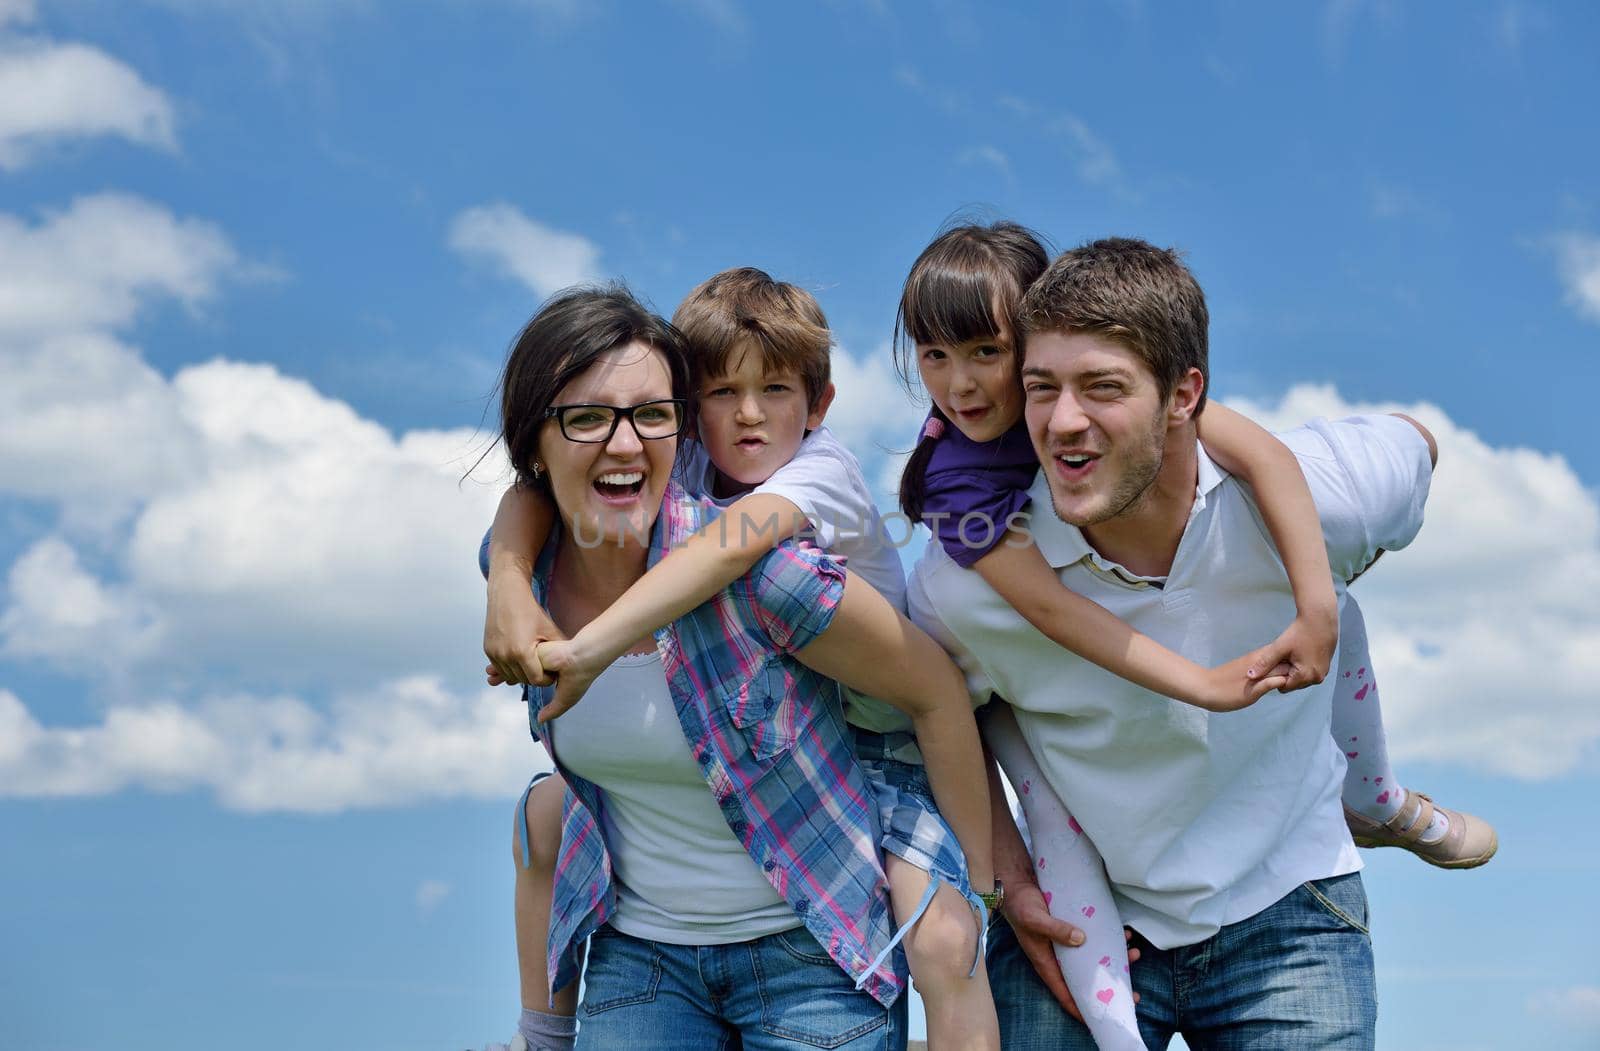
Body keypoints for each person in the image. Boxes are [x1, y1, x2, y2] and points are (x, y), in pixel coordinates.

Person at [906, 236, 1493, 1048]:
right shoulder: (963, 574)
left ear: (1185, 396)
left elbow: (1416, 444)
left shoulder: (1326, 493)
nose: (1064, 420)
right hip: (1092, 916)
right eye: (1043, 388)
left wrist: (1324, 593)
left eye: (1103, 387)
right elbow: (934, 710)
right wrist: (1007, 877)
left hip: (1287, 910)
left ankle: (1382, 801)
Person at [485, 269, 1002, 1049]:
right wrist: (508, 577)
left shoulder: (775, 546)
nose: (624, 441)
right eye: (588, 417)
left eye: (648, 416)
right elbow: (525, 507)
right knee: (543, 810)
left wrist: (984, 880)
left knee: (945, 940)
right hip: (644, 953)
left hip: (818, 922)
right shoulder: (528, 570)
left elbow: (932, 692)